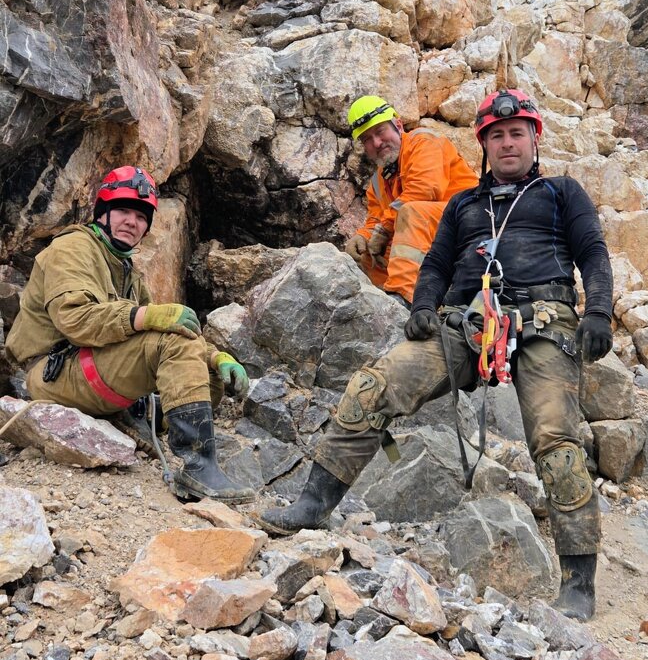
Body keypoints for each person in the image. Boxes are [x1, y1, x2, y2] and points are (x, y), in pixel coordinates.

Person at [260, 89, 614, 621]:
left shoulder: (562, 193)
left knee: (556, 440)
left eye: (516, 133)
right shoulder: (464, 205)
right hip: (465, 323)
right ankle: (314, 503)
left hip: (543, 322)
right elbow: (435, 265)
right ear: (484, 146)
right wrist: (423, 306)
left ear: (534, 138)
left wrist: (600, 313)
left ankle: (579, 581)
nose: (507, 143)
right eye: (496, 136)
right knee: (377, 383)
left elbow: (592, 253)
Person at [6, 166, 255, 505]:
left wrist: (216, 356)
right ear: (103, 213)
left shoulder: (124, 268)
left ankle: (151, 422)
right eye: (123, 210)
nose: (131, 222)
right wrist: (146, 315)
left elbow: (164, 325)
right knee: (171, 344)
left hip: (91, 364)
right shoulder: (73, 249)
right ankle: (199, 470)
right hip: (54, 370)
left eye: (141, 216)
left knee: (206, 374)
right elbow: (76, 319)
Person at [344, 95, 478, 308]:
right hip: (434, 235)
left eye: (380, 132)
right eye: (367, 139)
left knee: (410, 212)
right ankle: (379, 302)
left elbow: (424, 190)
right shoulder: (378, 182)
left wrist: (383, 229)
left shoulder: (423, 141)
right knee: (368, 251)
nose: (376, 143)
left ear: (398, 125)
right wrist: (363, 236)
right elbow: (376, 220)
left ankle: (403, 298)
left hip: (469, 224)